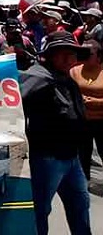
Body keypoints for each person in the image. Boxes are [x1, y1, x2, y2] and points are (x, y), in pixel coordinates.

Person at [20, 33, 92, 235]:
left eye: (73, 54)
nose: (69, 59)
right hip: (47, 157)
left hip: (71, 157)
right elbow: (14, 99)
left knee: (80, 205)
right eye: (63, 54)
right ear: (51, 54)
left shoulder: (66, 78)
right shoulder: (38, 76)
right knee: (40, 210)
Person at [70, 39, 103, 181]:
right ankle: (84, 182)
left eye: (88, 53)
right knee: (83, 154)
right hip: (82, 120)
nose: (83, 56)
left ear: (99, 56)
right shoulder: (74, 71)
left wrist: (96, 102)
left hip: (102, 121)